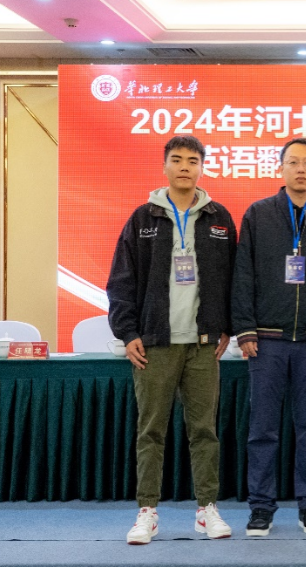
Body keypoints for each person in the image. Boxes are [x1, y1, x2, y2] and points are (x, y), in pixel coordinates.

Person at [107, 135, 236, 545]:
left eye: (192, 160)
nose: (184, 166)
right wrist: (128, 332)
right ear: (164, 166)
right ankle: (147, 511)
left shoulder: (219, 218)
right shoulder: (143, 218)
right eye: (177, 159)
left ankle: (207, 509)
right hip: (155, 343)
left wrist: (227, 326)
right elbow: (121, 281)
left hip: (202, 343)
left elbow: (233, 278)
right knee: (151, 431)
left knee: (204, 431)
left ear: (202, 167)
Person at [231, 138, 306, 536]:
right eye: (293, 162)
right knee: (262, 430)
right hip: (266, 340)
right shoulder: (259, 213)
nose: (301, 169)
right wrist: (245, 328)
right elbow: (242, 274)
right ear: (280, 168)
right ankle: (261, 508)